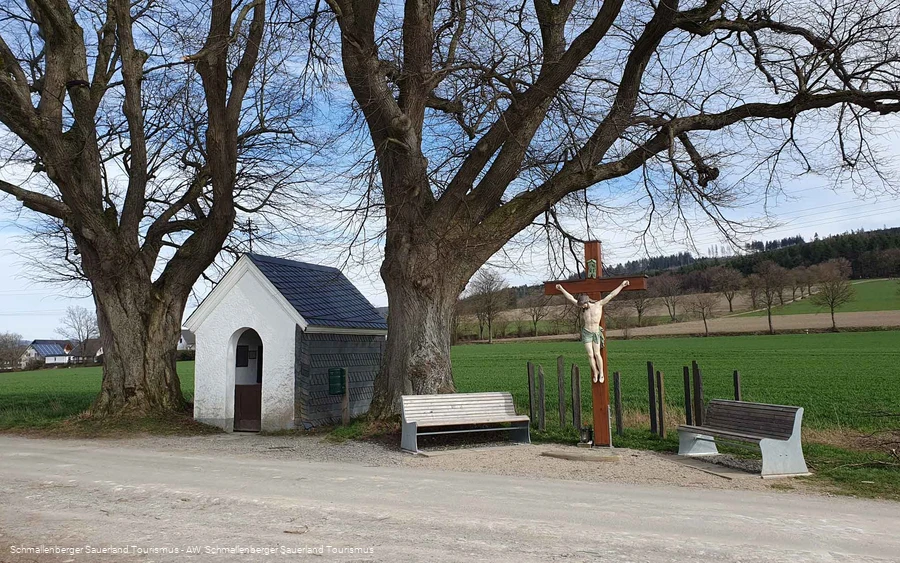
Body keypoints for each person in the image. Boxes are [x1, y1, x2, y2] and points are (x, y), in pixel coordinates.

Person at [556, 280, 630, 383]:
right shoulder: (582, 307)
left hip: (595, 332)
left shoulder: (599, 304)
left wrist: (622, 285)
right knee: (590, 355)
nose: (581, 307)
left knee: (597, 353)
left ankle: (602, 373)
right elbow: (570, 298)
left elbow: (611, 295)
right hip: (586, 333)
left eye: (583, 305)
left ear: (587, 301)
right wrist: (561, 289)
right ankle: (595, 372)